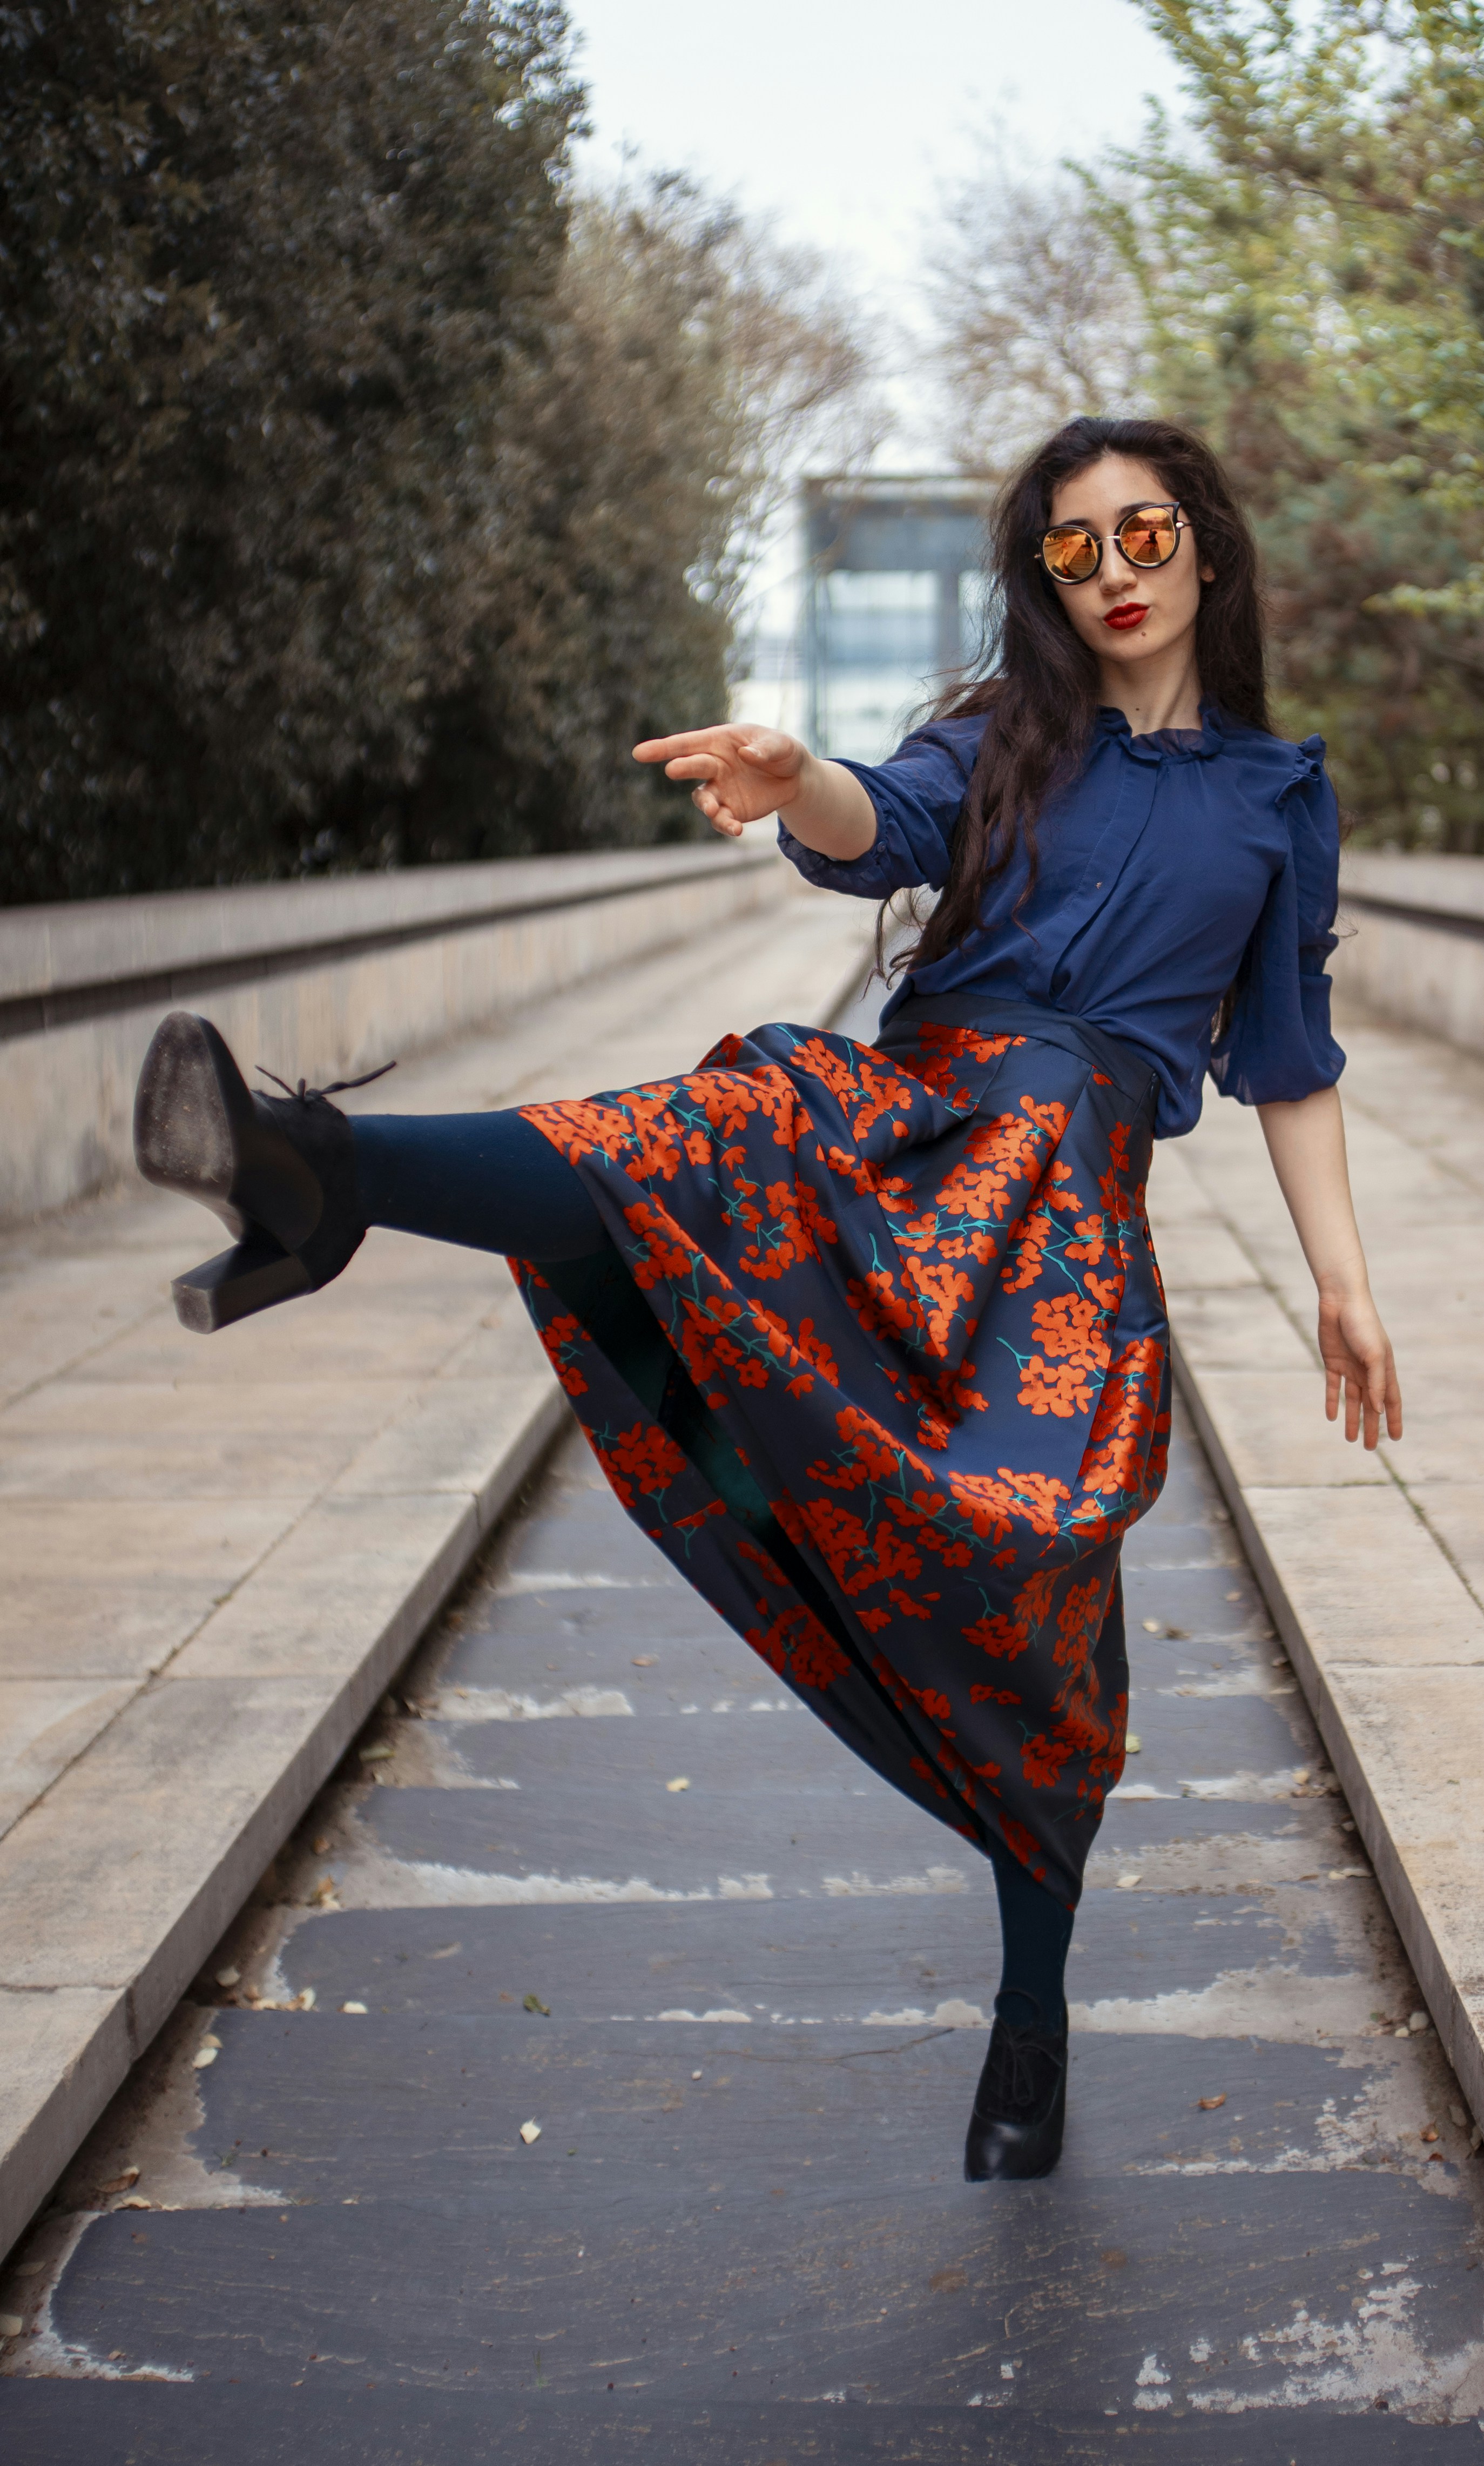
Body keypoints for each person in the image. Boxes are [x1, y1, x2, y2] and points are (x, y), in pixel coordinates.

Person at [132, 414, 1402, 2183]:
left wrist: (1345, 1286)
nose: (1112, 572)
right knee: (688, 1142)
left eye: (1142, 535)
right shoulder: (1000, 742)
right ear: (1042, 578)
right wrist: (793, 770)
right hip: (900, 1131)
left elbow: (1288, 1059)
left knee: (1046, 1628)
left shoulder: (1280, 798)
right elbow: (877, 826)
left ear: (1207, 550)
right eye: (1072, 548)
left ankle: (1031, 2013)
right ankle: (312, 1163)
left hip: (1062, 1237)